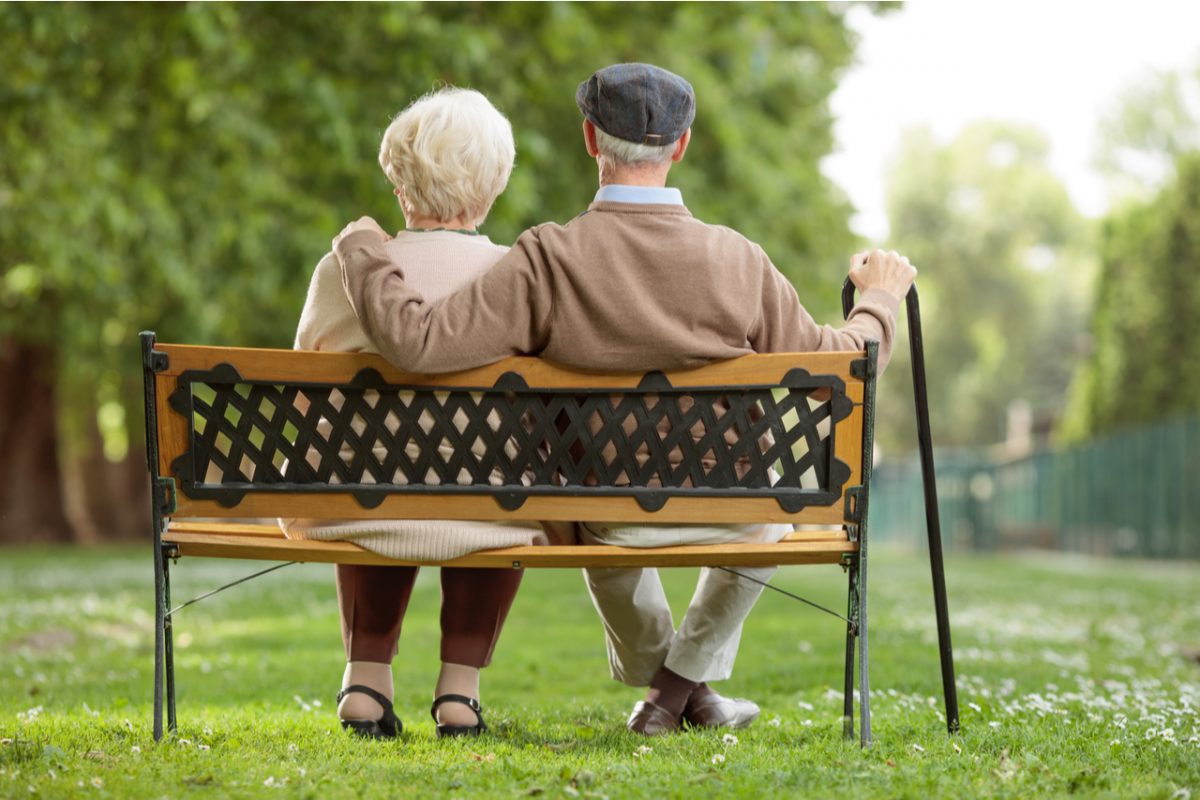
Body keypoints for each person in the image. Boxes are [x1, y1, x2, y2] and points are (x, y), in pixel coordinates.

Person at [330, 63, 917, 735]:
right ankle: (678, 691)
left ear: (589, 139)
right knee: (773, 515)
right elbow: (848, 366)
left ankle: (672, 693)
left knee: (599, 506)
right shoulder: (738, 260)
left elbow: (423, 345)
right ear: (682, 145)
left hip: (606, 515)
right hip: (734, 508)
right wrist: (879, 299)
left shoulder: (547, 257)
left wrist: (365, 252)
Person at [281, 87, 559, 740]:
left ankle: (365, 680)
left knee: (370, 465)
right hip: (488, 509)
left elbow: (302, 388)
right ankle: (459, 693)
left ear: (399, 182)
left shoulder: (340, 271)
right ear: (492, 186)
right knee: (494, 473)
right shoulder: (514, 274)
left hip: (356, 502)